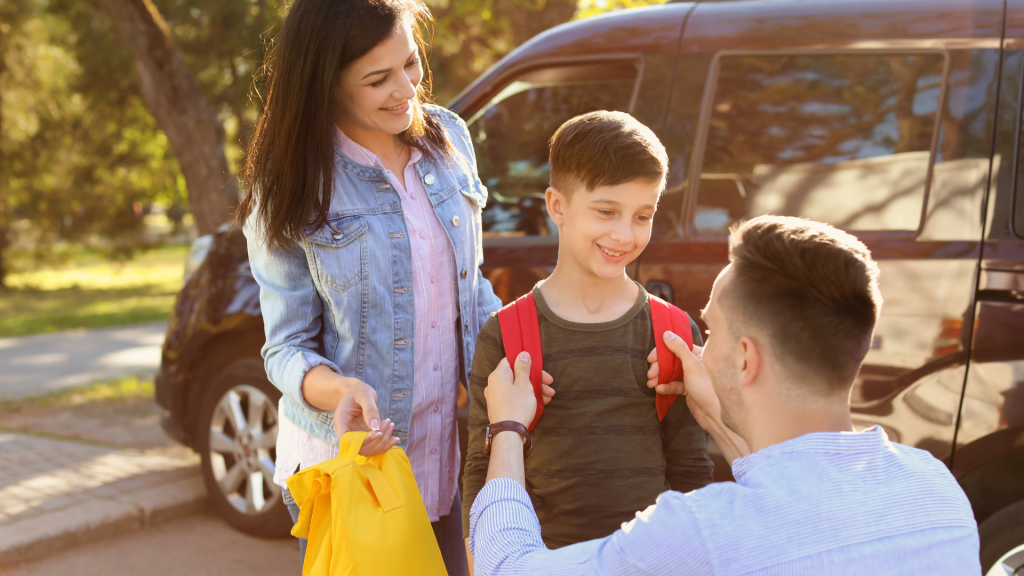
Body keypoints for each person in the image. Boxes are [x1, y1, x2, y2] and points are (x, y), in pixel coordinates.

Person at [469, 216, 981, 574]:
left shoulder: (701, 532)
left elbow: (510, 569)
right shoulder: (937, 490)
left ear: (744, 359)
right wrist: (715, 421)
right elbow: (791, 492)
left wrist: (509, 428)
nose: (697, 349)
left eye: (709, 333)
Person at [238, 1, 501, 573]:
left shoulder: (448, 139)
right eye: (377, 79)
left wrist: (517, 360)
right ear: (323, 84)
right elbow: (284, 349)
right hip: (353, 463)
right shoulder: (290, 178)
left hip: (444, 457)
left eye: (410, 64)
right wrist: (339, 391)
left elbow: (471, 287)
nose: (405, 89)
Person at [462, 111, 713, 555]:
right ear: (557, 206)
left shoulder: (671, 332)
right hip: (543, 561)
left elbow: (691, 467)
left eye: (642, 215)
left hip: (649, 562)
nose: (624, 234)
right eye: (606, 212)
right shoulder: (506, 335)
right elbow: (483, 473)